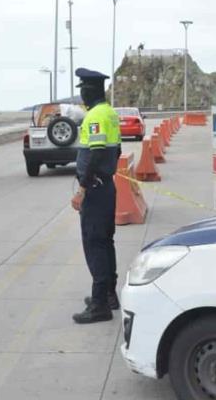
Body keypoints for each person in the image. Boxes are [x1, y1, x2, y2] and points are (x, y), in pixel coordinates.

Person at [70, 68, 122, 324]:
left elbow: (97, 153)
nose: (81, 94)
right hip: (107, 186)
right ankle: (109, 295)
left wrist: (83, 187)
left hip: (95, 189)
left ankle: (99, 304)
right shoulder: (110, 113)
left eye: (82, 89)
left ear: (88, 91)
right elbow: (118, 150)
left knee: (95, 244)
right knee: (106, 242)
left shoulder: (95, 116)